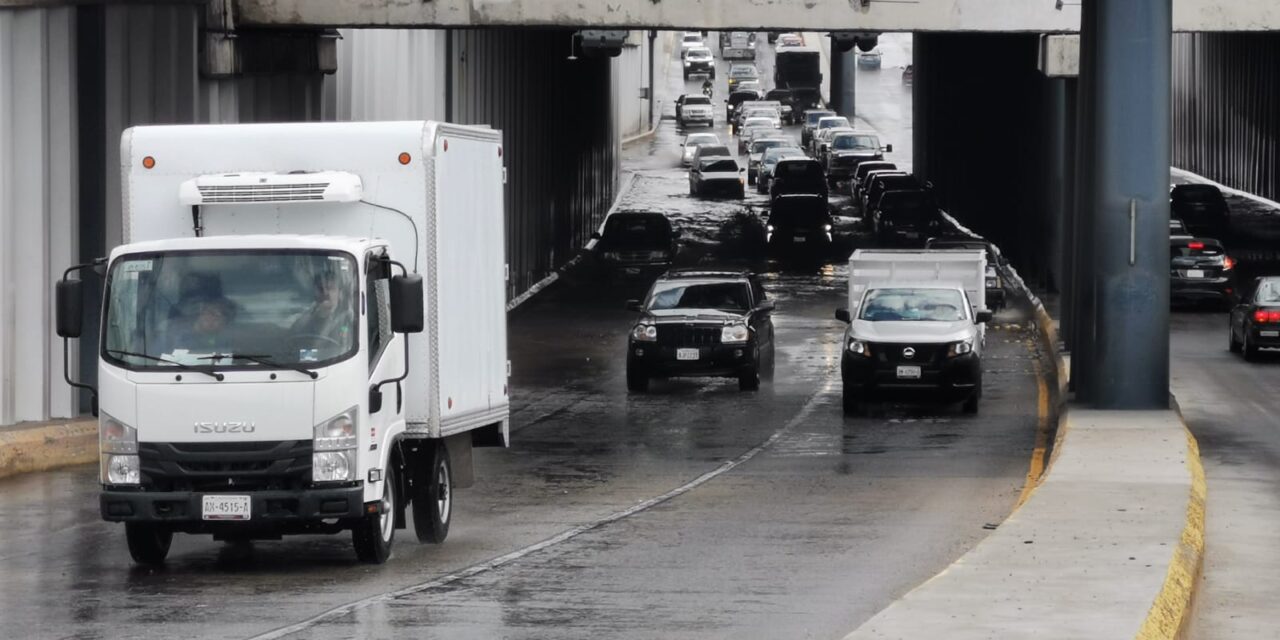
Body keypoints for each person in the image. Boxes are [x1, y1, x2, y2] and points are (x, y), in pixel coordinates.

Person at [290, 270, 354, 356]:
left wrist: (328, 319)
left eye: (331, 288)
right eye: (321, 289)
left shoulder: (348, 317)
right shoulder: (305, 315)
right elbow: (292, 337)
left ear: (340, 293)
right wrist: (314, 314)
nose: (326, 293)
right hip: (305, 362)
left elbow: (346, 348)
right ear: (314, 292)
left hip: (338, 362)